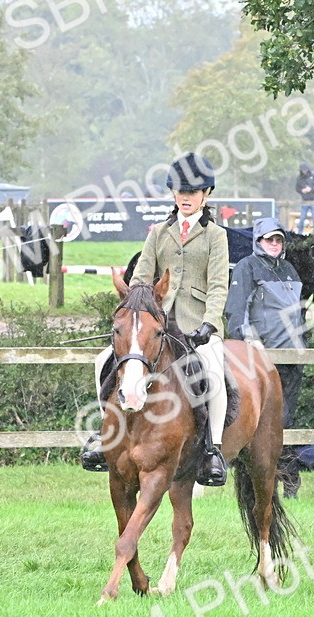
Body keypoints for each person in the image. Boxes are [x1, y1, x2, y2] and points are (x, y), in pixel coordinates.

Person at [81, 152, 230, 486]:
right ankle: (106, 434)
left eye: (192, 192)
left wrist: (210, 321)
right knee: (104, 360)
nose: (185, 198)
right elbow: (140, 277)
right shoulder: (159, 232)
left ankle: (212, 450)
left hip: (196, 327)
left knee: (214, 372)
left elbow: (219, 284)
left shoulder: (215, 236)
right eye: (180, 192)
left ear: (205, 194)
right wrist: (136, 309)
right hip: (155, 326)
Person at [224, 217, 305, 498]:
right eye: (269, 239)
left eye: (278, 239)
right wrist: (250, 344)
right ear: (258, 241)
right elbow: (236, 311)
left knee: (287, 422)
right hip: (259, 363)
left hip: (291, 359)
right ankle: (258, 484)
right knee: (258, 426)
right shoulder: (247, 267)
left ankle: (290, 482)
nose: (274, 243)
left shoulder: (291, 270)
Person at [295, 162, 314, 235]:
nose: (304, 171)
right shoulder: (299, 178)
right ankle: (299, 233)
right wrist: (302, 191)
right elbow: (297, 189)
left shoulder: (313, 176)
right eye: (303, 170)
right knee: (302, 217)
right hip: (305, 200)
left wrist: (311, 189)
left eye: (305, 170)